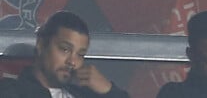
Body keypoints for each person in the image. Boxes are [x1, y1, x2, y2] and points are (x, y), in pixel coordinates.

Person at [0, 11, 130, 98]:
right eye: (65, 49)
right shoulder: (12, 92)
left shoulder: (84, 93)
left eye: (80, 54)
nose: (72, 61)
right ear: (41, 44)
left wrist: (108, 90)